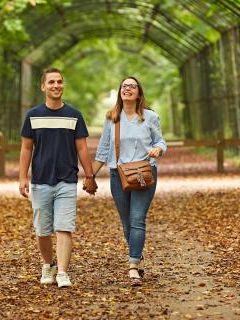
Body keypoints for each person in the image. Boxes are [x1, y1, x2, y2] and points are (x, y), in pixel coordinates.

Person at [19, 67, 97, 288]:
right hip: (41, 180)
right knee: (43, 230)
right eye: (51, 82)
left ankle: (62, 272)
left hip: (67, 179)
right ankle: (48, 265)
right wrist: (22, 177)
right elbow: (26, 148)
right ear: (43, 87)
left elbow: (82, 149)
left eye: (60, 82)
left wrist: (89, 176)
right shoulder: (33, 115)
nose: (56, 86)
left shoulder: (74, 115)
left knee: (64, 226)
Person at [90, 76, 167, 286]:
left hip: (144, 173)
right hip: (118, 175)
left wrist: (158, 149)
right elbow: (103, 149)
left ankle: (133, 265)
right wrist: (90, 175)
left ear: (139, 93)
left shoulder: (150, 117)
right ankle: (137, 253)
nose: (128, 89)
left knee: (137, 219)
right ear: (120, 92)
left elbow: (160, 140)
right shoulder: (112, 117)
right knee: (126, 224)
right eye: (125, 86)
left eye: (132, 86)